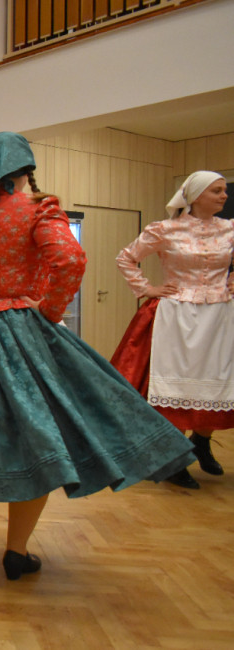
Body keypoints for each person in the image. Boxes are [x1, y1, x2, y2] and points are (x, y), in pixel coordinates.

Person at [0, 132, 194, 580]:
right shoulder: (38, 210)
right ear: (25, 169)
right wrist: (49, 309)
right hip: (24, 334)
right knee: (39, 437)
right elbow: (70, 259)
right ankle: (14, 551)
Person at [111, 171, 233, 490]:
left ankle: (201, 443)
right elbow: (126, 258)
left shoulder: (230, 229)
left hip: (219, 316)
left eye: (224, 190)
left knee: (215, 383)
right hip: (177, 315)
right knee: (174, 386)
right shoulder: (165, 230)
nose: (224, 195)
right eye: (217, 191)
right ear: (195, 196)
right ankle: (172, 458)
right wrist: (147, 288)